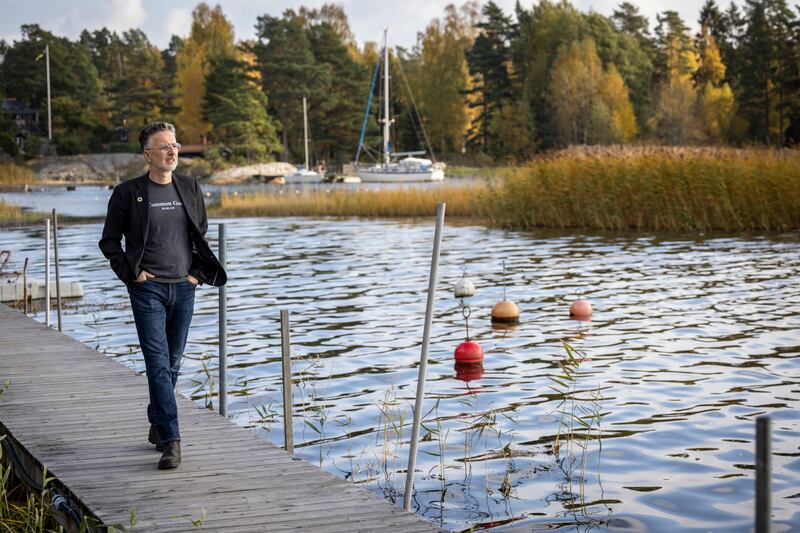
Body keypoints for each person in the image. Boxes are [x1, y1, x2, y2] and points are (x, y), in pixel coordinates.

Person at [99, 122, 227, 469]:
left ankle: (158, 418)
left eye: (175, 145)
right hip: (147, 289)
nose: (173, 151)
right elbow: (109, 241)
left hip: (184, 287)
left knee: (172, 363)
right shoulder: (128, 193)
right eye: (164, 146)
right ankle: (172, 440)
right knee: (157, 364)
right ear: (148, 155)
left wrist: (195, 276)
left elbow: (199, 233)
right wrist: (131, 273)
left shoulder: (190, 187)